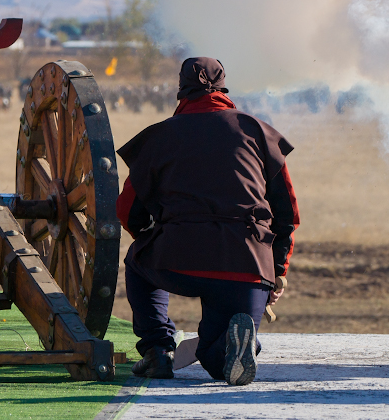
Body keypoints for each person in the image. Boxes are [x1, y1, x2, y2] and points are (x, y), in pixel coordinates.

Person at [116, 57, 299, 385]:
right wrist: (277, 273)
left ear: (181, 91)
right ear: (224, 86)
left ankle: (157, 350)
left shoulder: (160, 136)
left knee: (137, 259)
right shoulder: (258, 131)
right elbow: (288, 215)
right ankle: (243, 342)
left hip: (178, 256)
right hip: (248, 264)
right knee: (218, 362)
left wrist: (151, 235)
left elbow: (127, 211)